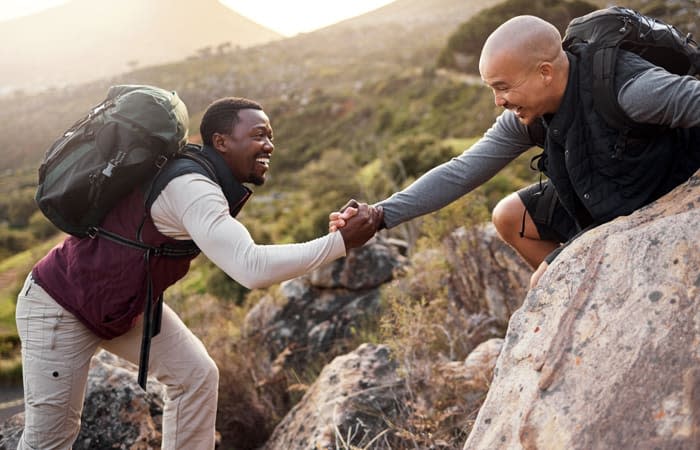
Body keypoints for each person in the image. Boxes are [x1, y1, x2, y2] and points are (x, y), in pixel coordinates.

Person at [15, 97, 382, 449]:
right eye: (258, 135)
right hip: (59, 307)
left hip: (120, 304)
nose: (269, 145)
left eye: (270, 135)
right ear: (220, 142)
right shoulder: (193, 187)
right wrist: (340, 243)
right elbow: (250, 268)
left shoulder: (200, 175)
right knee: (50, 439)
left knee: (196, 376)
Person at [331, 14, 700, 288]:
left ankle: (588, 283)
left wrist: (562, 261)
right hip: (597, 186)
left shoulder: (627, 90)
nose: (498, 101)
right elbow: (461, 171)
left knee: (546, 283)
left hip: (655, 187)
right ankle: (596, 288)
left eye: (503, 87)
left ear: (544, 72)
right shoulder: (528, 116)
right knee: (509, 216)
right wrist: (380, 215)